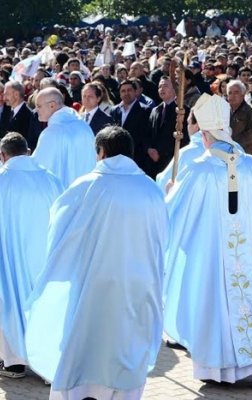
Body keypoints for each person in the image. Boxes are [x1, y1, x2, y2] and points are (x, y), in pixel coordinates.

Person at [25, 126, 168, 399]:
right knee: (127, 345)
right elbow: (163, 239)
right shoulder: (151, 190)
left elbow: (59, 231)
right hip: (139, 284)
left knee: (88, 344)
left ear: (101, 152)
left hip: (93, 283)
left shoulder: (86, 186)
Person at [163, 94, 252, 387]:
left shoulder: (201, 170)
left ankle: (221, 370)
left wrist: (170, 191)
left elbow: (173, 214)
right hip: (248, 255)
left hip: (212, 255)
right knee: (248, 302)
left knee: (215, 306)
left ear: (205, 134)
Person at [0, 132, 63, 379]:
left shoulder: (3, 179)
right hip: (46, 255)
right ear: (27, 151)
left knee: (9, 301)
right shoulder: (51, 179)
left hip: (10, 254)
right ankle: (47, 365)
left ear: (3, 155)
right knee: (46, 304)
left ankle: (13, 362)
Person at [32, 87, 96, 187]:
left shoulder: (51, 133)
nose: (36, 110)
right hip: (86, 195)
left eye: (39, 106)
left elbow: (38, 170)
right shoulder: (84, 127)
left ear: (52, 105)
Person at [155, 98, 206, 194]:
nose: (187, 127)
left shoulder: (187, 153)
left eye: (188, 123)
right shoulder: (231, 149)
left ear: (197, 125)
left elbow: (163, 181)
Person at [111, 79, 152, 173]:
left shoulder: (145, 110)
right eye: (123, 91)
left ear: (135, 92)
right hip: (117, 157)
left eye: (129, 90)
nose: (126, 93)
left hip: (136, 157)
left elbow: (145, 135)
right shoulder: (114, 110)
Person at [228, 79, 252, 155]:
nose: (232, 95)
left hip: (245, 154)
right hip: (226, 154)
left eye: (236, 92)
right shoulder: (224, 110)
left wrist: (231, 143)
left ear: (242, 95)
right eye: (230, 93)